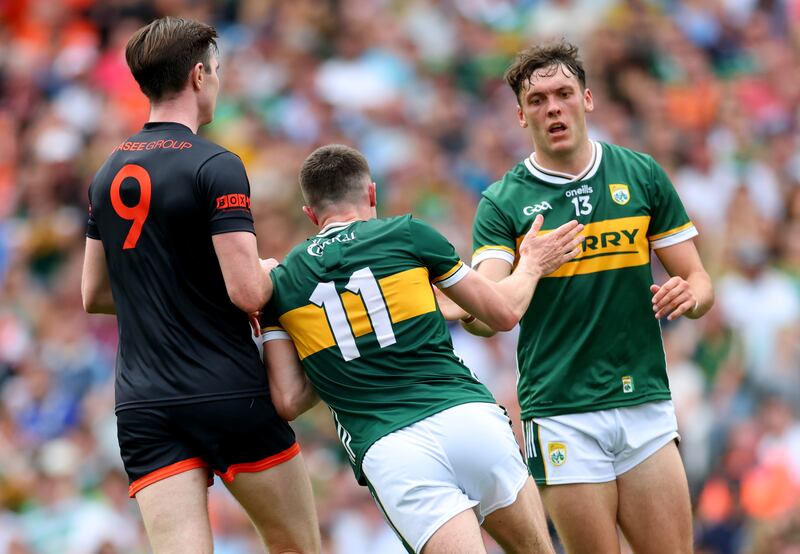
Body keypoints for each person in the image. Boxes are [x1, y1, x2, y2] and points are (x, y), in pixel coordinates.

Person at [259, 144, 584, 554]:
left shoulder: (283, 283)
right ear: (371, 194)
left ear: (310, 213)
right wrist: (532, 264)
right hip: (466, 417)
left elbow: (287, 400)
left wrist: (335, 359)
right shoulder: (408, 233)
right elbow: (501, 314)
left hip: (390, 448)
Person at [80, 17, 319, 554]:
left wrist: (167, 286)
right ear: (197, 75)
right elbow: (249, 293)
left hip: (142, 405)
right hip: (226, 392)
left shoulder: (106, 171)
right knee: (297, 547)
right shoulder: (216, 165)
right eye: (217, 70)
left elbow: (93, 294)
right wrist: (271, 268)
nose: (218, 81)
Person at [464, 41, 715, 553]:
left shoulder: (640, 175)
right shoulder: (503, 202)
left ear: (588, 99)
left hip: (643, 400)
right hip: (561, 413)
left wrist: (689, 295)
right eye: (537, 100)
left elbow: (701, 281)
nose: (553, 107)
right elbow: (484, 314)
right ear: (520, 116)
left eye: (563, 93)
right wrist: (530, 266)